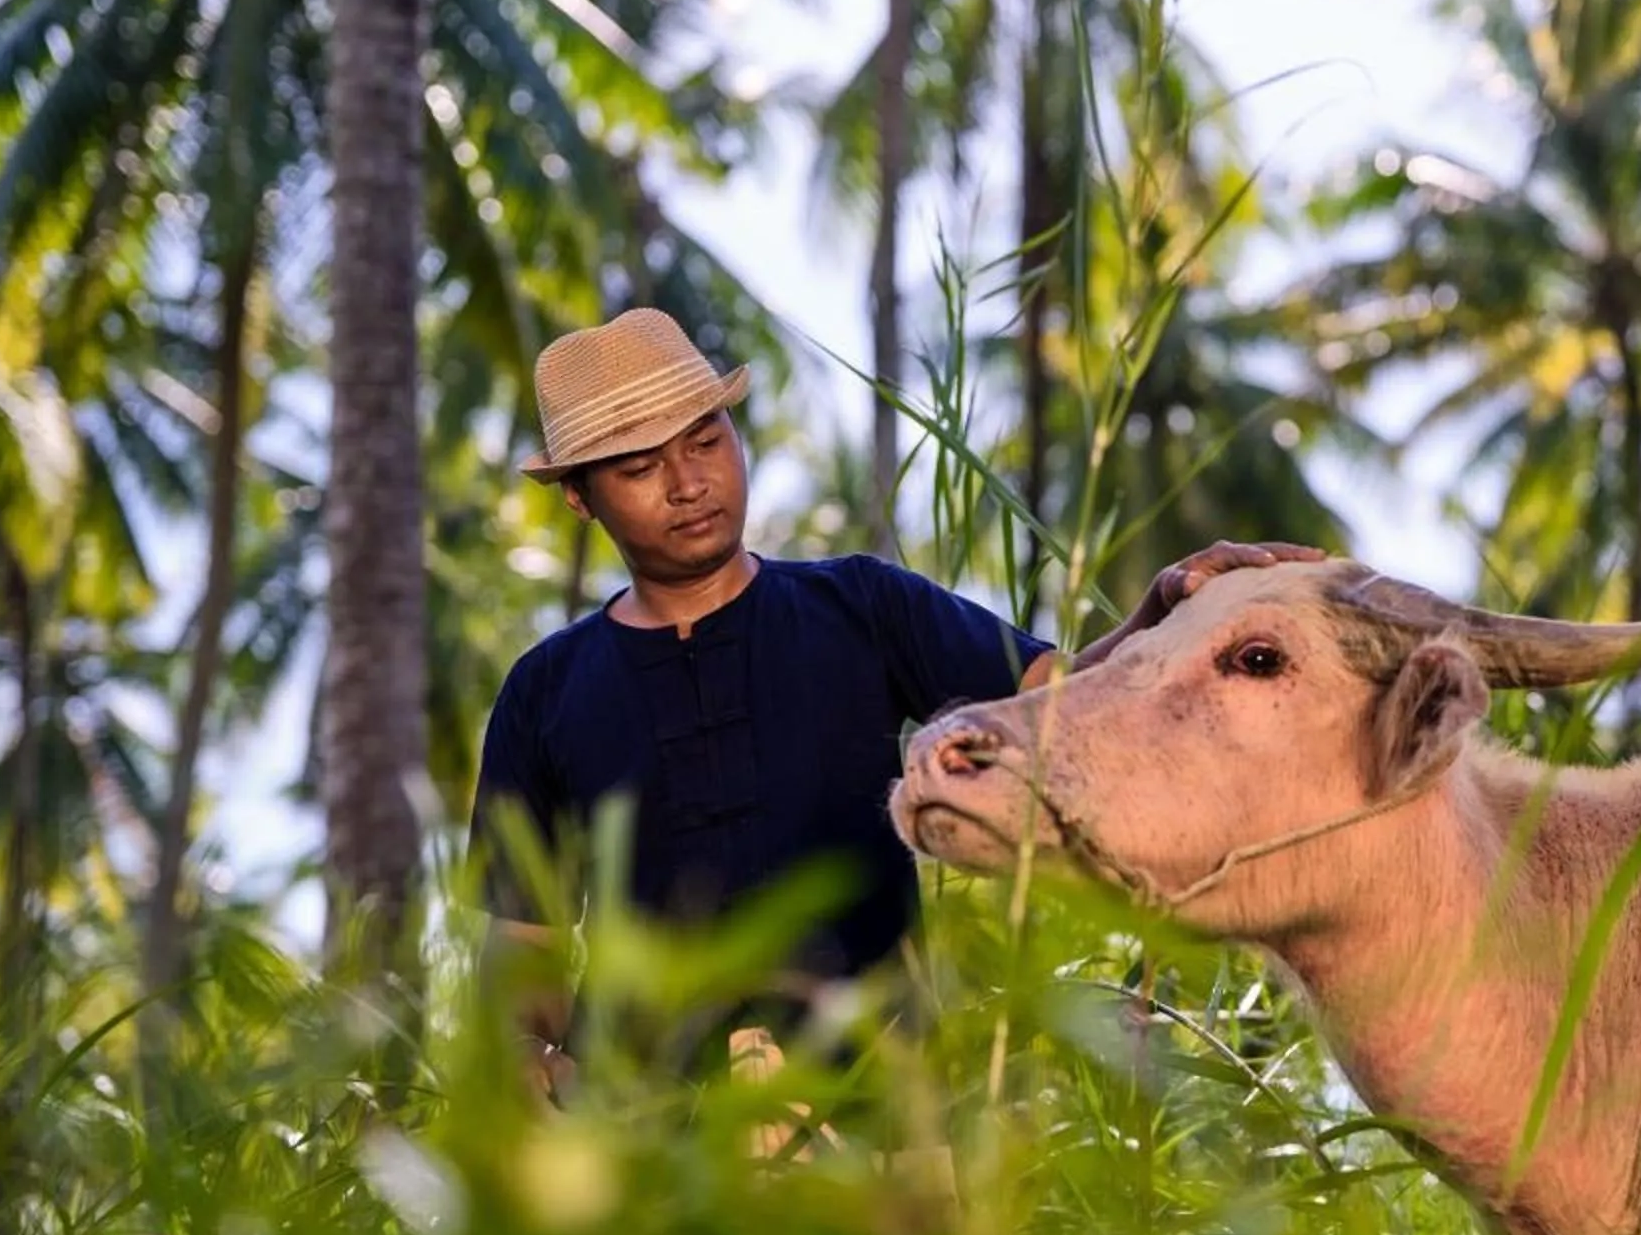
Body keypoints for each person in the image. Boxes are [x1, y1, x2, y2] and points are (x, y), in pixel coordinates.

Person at [468, 306, 1319, 1100]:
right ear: (581, 496)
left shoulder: (864, 607)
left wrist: (1166, 608)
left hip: (887, 1124)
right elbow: (524, 956)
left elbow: (1068, 708)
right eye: (640, 467)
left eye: (705, 440)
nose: (688, 483)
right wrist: (532, 1072)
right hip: (648, 1150)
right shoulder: (543, 692)